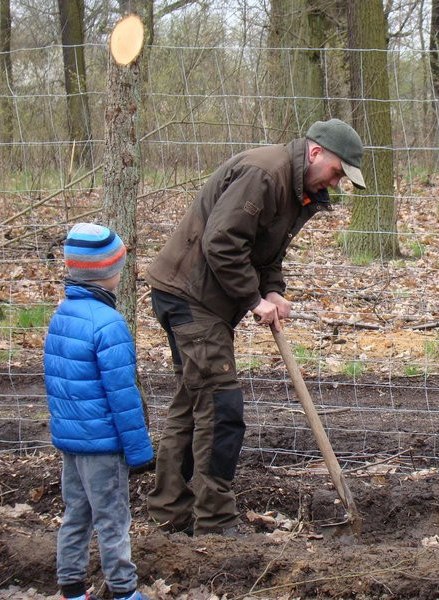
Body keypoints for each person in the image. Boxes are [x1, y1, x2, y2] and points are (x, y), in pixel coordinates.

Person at [145, 118, 366, 536]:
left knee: (194, 404)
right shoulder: (264, 174)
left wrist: (274, 291)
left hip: (201, 297)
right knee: (221, 408)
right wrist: (253, 299)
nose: (337, 184)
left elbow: (265, 251)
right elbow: (222, 242)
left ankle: (168, 511)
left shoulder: (298, 189)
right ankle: (215, 521)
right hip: (191, 295)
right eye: (338, 172)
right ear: (316, 153)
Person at [44, 223, 152, 600]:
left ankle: (71, 588)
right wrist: (139, 451)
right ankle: (123, 591)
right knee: (113, 519)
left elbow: (58, 382)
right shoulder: (109, 325)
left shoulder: (62, 316)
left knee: (76, 513)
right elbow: (123, 396)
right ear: (112, 272)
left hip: (71, 442)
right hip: (103, 446)